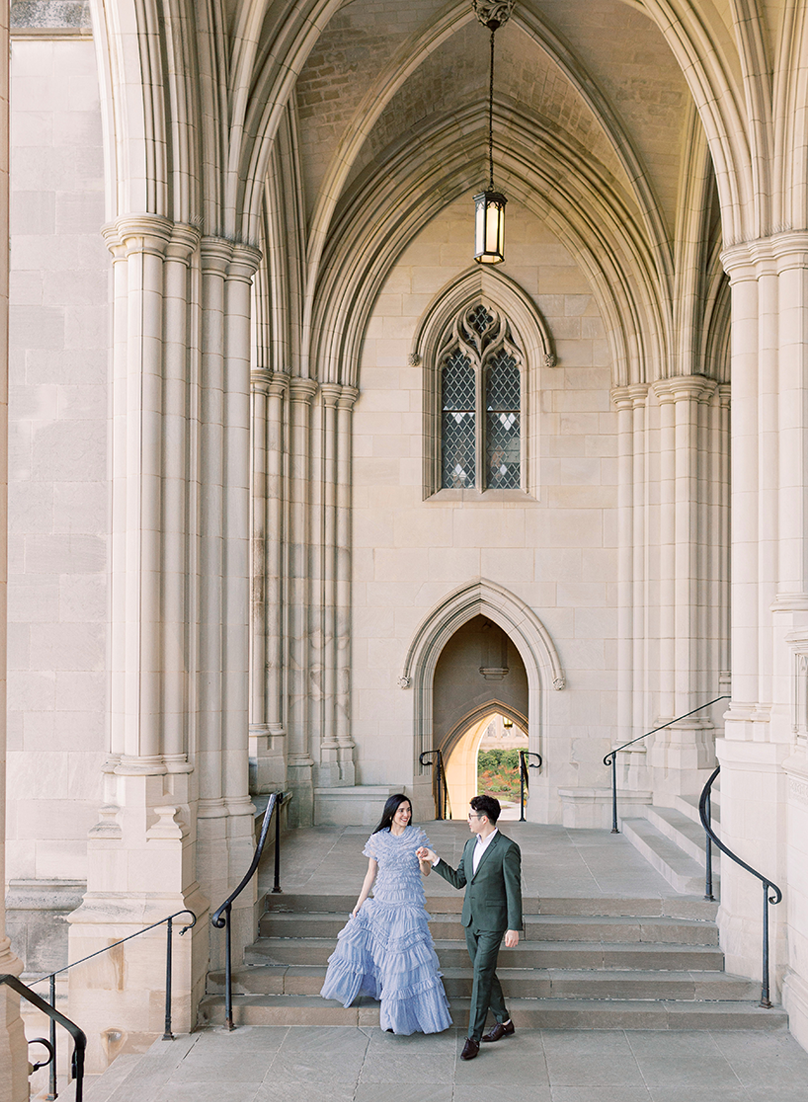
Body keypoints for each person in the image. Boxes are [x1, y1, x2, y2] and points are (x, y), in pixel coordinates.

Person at [319, 793, 452, 1035]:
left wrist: (423, 859)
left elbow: (426, 872)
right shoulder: (378, 839)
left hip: (408, 905)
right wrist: (360, 903)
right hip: (383, 902)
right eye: (401, 810)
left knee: (402, 960)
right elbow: (371, 874)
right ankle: (390, 1009)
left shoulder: (417, 836)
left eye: (408, 810)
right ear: (391, 813)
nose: (406, 814)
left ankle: (398, 1016)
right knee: (383, 954)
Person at [416, 794, 522, 1061]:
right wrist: (434, 859)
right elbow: (459, 880)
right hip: (470, 921)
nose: (467, 821)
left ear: (484, 819)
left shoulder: (507, 848)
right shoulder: (468, 845)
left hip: (493, 924)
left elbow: (514, 890)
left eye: (471, 816)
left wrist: (514, 926)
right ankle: (505, 1022)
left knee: (481, 976)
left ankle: (473, 1038)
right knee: (484, 972)